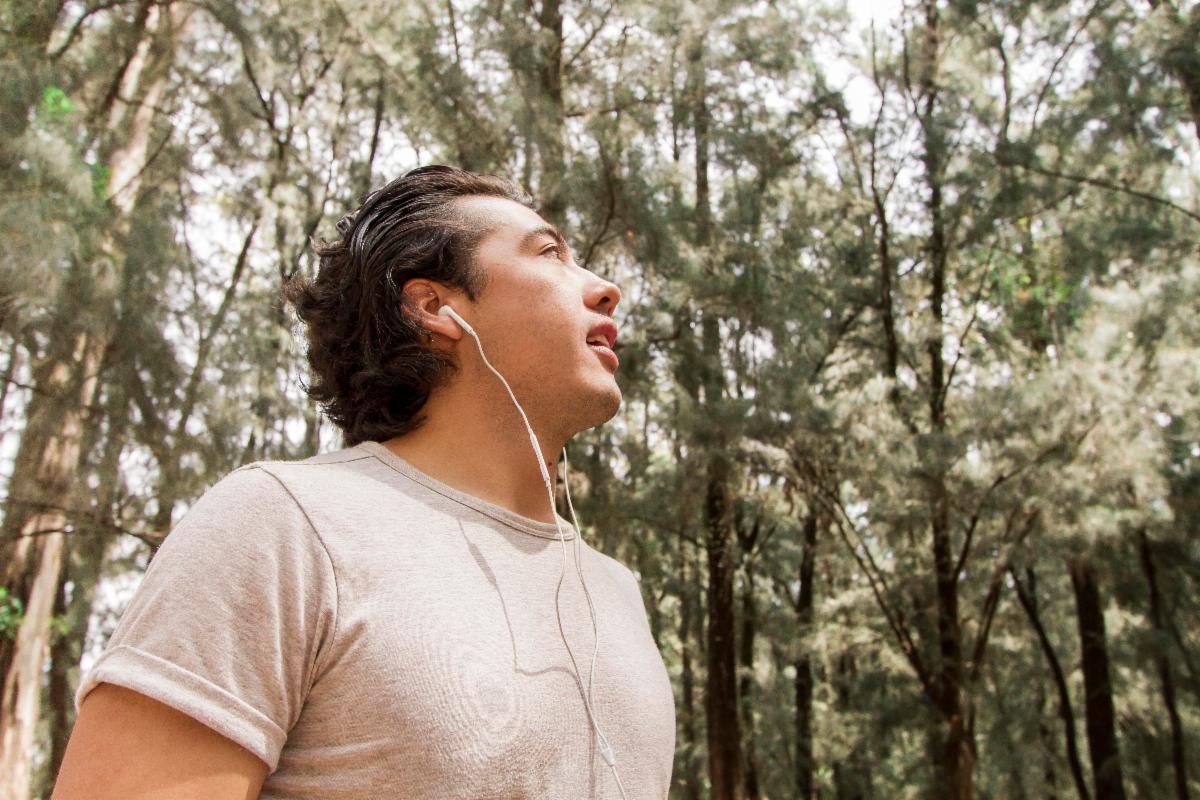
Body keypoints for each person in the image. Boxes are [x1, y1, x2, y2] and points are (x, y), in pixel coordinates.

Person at [52, 165, 676, 799]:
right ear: (434, 307)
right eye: (550, 255)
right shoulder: (285, 523)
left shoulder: (617, 589)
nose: (606, 288)